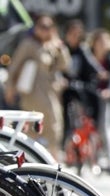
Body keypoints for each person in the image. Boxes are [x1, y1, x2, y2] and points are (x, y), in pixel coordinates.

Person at [5, 15, 70, 160]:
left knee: (54, 130)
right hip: (33, 95)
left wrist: (60, 47)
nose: (45, 31)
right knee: (33, 131)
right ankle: (31, 164)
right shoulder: (29, 44)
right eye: (42, 27)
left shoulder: (52, 45)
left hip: (50, 93)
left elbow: (64, 65)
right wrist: (10, 88)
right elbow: (14, 67)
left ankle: (53, 166)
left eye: (48, 27)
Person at [88, 28, 110, 173]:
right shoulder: (88, 55)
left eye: (104, 41)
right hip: (89, 96)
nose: (102, 44)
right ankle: (92, 159)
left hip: (104, 98)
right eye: (99, 41)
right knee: (89, 128)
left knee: (104, 128)